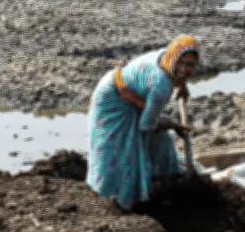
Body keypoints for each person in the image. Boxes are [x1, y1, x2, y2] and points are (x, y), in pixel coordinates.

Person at [86, 35, 200, 211]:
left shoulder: (164, 57)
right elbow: (146, 126)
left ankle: (163, 179)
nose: (184, 69)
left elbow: (178, 71)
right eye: (181, 63)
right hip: (113, 100)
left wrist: (182, 84)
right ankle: (113, 200)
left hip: (130, 94)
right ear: (173, 58)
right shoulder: (161, 86)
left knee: (161, 140)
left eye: (190, 65)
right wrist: (173, 125)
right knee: (120, 151)